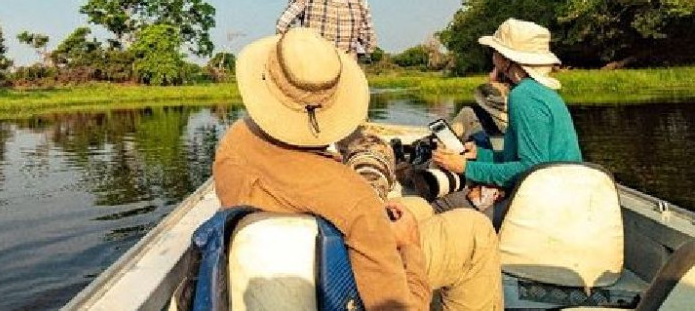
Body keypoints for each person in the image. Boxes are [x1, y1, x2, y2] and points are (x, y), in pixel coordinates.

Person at [214, 27, 503, 311]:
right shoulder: (352, 197)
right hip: (341, 281)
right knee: (474, 230)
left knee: (420, 207)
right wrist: (410, 248)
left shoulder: (235, 143)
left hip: (293, 248)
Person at [431, 18, 582, 217]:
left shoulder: (523, 96)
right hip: (561, 191)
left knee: (440, 206)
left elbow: (530, 169)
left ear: (507, 59)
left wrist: (465, 167)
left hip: (544, 203)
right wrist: (480, 155)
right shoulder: (544, 92)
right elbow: (525, 158)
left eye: (496, 51)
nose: (493, 56)